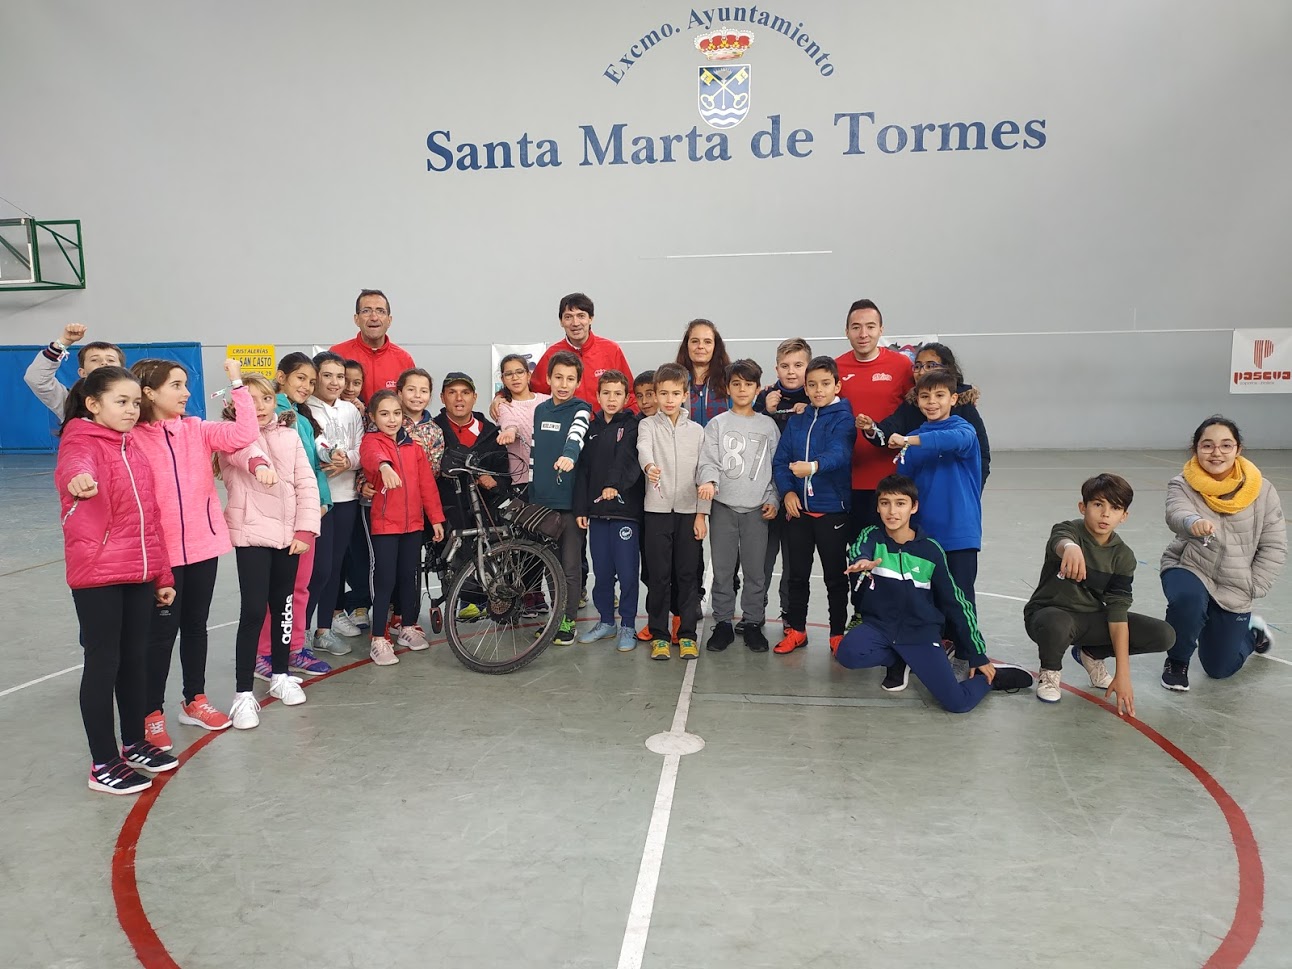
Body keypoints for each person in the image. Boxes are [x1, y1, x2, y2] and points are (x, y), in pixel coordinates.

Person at [56, 366, 179, 794]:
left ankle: (133, 743)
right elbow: (74, 466)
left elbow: (151, 521)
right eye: (120, 402)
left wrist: (161, 573)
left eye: (134, 402)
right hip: (99, 575)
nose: (131, 410)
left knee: (134, 661)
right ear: (93, 404)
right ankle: (103, 763)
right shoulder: (81, 440)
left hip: (139, 572)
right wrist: (78, 480)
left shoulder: (131, 447)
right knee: (103, 665)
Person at [131, 356, 257, 747]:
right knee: (160, 635)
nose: (187, 393)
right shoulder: (132, 437)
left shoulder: (196, 430)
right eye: (177, 385)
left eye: (186, 384)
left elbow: (244, 433)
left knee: (196, 627)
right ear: (149, 392)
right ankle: (150, 712)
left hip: (203, 545)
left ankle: (194, 699)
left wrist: (238, 385)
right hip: (160, 553)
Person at [836, 475, 1034, 710]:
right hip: (880, 626)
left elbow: (957, 603)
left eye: (900, 503)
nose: (892, 511)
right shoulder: (872, 536)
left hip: (920, 633)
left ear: (914, 507)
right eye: (885, 503)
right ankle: (900, 660)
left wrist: (977, 654)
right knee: (848, 654)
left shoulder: (930, 550)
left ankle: (989, 681)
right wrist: (861, 560)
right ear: (877, 506)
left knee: (957, 703)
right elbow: (860, 548)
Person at [863, 366, 983, 690]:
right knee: (925, 598)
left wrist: (910, 439)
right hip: (924, 535)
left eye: (939, 396)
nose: (932, 402)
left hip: (958, 533)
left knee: (960, 598)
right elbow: (904, 482)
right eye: (925, 396)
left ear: (953, 398)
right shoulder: (913, 439)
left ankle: (968, 656)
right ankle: (926, 651)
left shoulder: (963, 430)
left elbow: (949, 439)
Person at [215, 375, 321, 729]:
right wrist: (261, 467)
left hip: (288, 537)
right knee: (253, 611)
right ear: (237, 404)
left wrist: (305, 529)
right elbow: (247, 453)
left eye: (265, 399)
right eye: (251, 400)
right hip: (252, 537)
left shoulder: (290, 436)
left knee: (284, 606)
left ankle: (281, 673)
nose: (259, 406)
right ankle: (243, 693)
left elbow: (306, 482)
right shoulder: (230, 437)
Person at [1024, 473, 1175, 712]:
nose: (1106, 514)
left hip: (1090, 620)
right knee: (1057, 621)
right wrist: (1070, 548)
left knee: (1164, 634)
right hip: (1047, 615)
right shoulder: (1068, 530)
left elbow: (1117, 613)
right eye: (1098, 505)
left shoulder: (1123, 557)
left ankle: (1091, 654)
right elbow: (1061, 540)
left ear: (1124, 516)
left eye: (1115, 508)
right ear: (1083, 507)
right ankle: (1050, 671)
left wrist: (1122, 675)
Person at [1160, 417, 1287, 691]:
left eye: (1225, 445)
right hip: (1189, 565)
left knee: (1219, 669)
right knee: (1189, 600)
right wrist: (1193, 523)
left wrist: (1256, 584)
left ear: (1238, 449)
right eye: (1207, 445)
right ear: (1196, 449)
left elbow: (1274, 544)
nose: (1216, 453)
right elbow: (1176, 513)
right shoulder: (1182, 484)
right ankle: (1177, 661)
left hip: (1236, 582)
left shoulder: (1262, 490)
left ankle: (1252, 634)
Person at [254, 353, 333, 679]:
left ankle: (294, 647)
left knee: (301, 586)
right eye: (301, 378)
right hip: (281, 516)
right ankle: (264, 653)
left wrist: (322, 501)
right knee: (277, 591)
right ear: (281, 376)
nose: (307, 386)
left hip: (308, 514)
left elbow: (311, 469)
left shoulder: (301, 416)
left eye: (311, 381)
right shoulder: (276, 415)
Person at [771, 355, 856, 654]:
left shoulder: (844, 418)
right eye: (812, 385)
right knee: (797, 576)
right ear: (805, 388)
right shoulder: (797, 421)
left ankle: (836, 634)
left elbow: (840, 453)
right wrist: (788, 493)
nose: (818, 390)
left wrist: (814, 467)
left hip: (832, 511)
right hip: (799, 513)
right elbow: (780, 462)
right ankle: (797, 630)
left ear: (837, 385)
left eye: (825, 384)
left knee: (835, 577)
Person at [698, 359, 780, 653]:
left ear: (758, 389)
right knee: (722, 571)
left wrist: (773, 499)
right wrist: (709, 483)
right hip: (723, 508)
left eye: (748, 384)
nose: (742, 389)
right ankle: (722, 623)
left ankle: (753, 622)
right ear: (728, 388)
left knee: (756, 571)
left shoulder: (768, 426)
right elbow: (708, 461)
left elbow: (776, 468)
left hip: (757, 510)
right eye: (736, 384)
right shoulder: (717, 424)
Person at [360, 391, 447, 665]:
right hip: (385, 525)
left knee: (409, 576)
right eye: (384, 414)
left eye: (396, 413)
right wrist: (384, 466)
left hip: (413, 525)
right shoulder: (371, 441)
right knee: (385, 579)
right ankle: (378, 638)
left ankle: (407, 627)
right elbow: (371, 457)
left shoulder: (414, 449)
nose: (392, 419)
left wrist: (435, 518)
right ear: (373, 417)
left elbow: (427, 487)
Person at [638, 362, 710, 660]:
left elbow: (705, 471)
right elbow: (644, 448)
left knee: (687, 574)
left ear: (685, 395)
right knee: (658, 575)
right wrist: (650, 466)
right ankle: (659, 634)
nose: (668, 399)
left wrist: (701, 514)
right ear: (655, 394)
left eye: (675, 393)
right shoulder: (647, 426)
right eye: (663, 393)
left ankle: (688, 633)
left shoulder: (697, 432)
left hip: (688, 512)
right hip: (656, 512)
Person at [574, 370, 644, 652]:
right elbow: (582, 472)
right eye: (606, 393)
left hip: (625, 513)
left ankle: (628, 625)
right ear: (598, 396)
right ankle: (606, 622)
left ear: (627, 397)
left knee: (627, 574)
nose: (612, 399)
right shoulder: (590, 429)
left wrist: (614, 486)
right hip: (597, 513)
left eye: (618, 394)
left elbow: (627, 461)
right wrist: (582, 507)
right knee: (602, 574)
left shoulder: (633, 426)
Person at [860, 342, 991, 491]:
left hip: (956, 493)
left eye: (930, 365)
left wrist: (973, 490)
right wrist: (871, 428)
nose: (922, 372)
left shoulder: (963, 407)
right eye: (918, 366)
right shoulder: (911, 405)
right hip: (923, 496)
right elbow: (887, 432)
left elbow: (981, 452)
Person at [835, 299, 914, 541]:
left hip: (892, 479)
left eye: (870, 326)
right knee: (857, 554)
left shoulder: (901, 365)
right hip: (849, 480)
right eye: (856, 327)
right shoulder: (836, 367)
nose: (863, 333)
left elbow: (919, 406)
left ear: (881, 329)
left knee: (891, 552)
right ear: (846, 331)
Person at [529, 352, 594, 646]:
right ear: (548, 379)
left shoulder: (581, 408)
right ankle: (555, 619)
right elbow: (533, 453)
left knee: (569, 568)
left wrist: (569, 456)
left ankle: (568, 621)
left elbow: (576, 436)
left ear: (578, 382)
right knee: (549, 566)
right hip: (541, 504)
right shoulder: (540, 410)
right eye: (558, 378)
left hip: (570, 506)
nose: (564, 384)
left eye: (570, 379)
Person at [305, 351, 365, 655]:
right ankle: (299, 632)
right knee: (317, 569)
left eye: (339, 376)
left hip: (346, 498)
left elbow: (360, 450)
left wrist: (347, 462)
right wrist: (327, 459)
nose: (334, 382)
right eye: (327, 375)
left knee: (335, 566)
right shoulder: (305, 409)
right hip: (316, 501)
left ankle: (323, 630)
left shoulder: (351, 411)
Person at [754, 337, 812, 627]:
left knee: (793, 562)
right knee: (760, 560)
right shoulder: (765, 398)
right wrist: (765, 409)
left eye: (799, 365)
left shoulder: (816, 398)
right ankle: (755, 611)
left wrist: (810, 409)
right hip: (765, 493)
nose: (791, 372)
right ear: (776, 369)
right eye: (785, 366)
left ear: (808, 367)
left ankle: (789, 614)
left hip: (798, 495)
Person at [517, 292, 636, 409]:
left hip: (606, 426)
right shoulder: (552, 354)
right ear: (561, 322)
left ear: (591, 318)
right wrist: (503, 396)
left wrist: (626, 422)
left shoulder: (611, 350)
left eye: (581, 316)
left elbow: (630, 394)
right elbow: (531, 394)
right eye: (568, 317)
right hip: (567, 425)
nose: (575, 323)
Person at [330, 289, 416, 401]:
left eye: (380, 311)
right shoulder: (337, 354)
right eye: (366, 311)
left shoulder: (404, 360)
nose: (374, 317)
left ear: (389, 320)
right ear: (356, 319)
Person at [26, 323, 123, 415]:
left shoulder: (135, 399)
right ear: (82, 372)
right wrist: (64, 342)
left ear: (122, 370)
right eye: (94, 360)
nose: (104, 363)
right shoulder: (71, 401)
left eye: (111, 360)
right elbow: (36, 379)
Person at [495, 353, 550, 494]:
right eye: (509, 374)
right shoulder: (503, 405)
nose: (515, 378)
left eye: (519, 372)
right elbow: (508, 422)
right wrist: (510, 431)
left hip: (550, 475)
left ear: (528, 375)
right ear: (503, 379)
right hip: (523, 481)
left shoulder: (547, 401)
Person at [675, 318, 731, 428]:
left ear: (715, 347)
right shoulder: (674, 381)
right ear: (687, 346)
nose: (700, 346)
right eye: (695, 341)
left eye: (707, 342)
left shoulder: (730, 380)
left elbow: (748, 413)